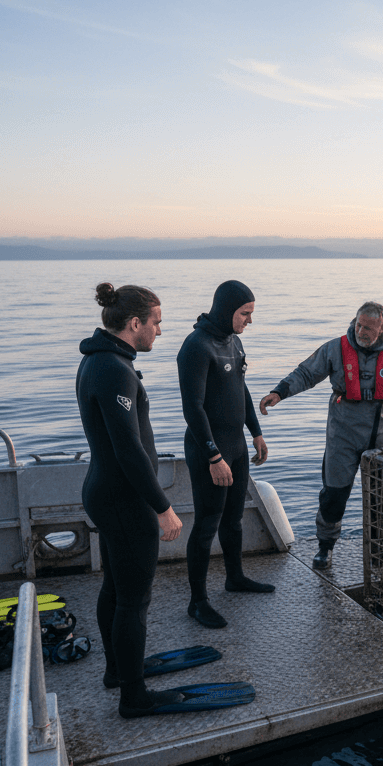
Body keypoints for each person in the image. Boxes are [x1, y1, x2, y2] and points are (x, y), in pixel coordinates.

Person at [259, 301, 383, 569]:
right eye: (358, 324)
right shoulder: (335, 348)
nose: (360, 331)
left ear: (382, 327)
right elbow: (306, 372)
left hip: (379, 437)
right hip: (342, 434)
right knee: (334, 494)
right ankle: (325, 548)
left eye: (367, 327)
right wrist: (279, 392)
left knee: (380, 496)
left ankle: (378, 551)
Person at [76, 283, 184, 717]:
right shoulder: (114, 370)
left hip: (105, 491)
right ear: (134, 323)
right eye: (155, 322)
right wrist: (163, 507)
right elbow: (129, 450)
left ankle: (117, 670)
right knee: (133, 600)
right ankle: (133, 697)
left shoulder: (98, 361)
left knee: (116, 588)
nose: (160, 330)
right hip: (123, 498)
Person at [176, 280, 274, 630]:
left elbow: (241, 389)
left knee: (233, 519)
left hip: (237, 446)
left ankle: (235, 577)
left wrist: (256, 432)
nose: (249, 320)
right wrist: (213, 456)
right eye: (245, 313)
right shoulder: (196, 347)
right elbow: (193, 409)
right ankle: (198, 602)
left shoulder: (233, 342)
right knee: (206, 525)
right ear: (226, 309)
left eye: (250, 313)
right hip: (210, 449)